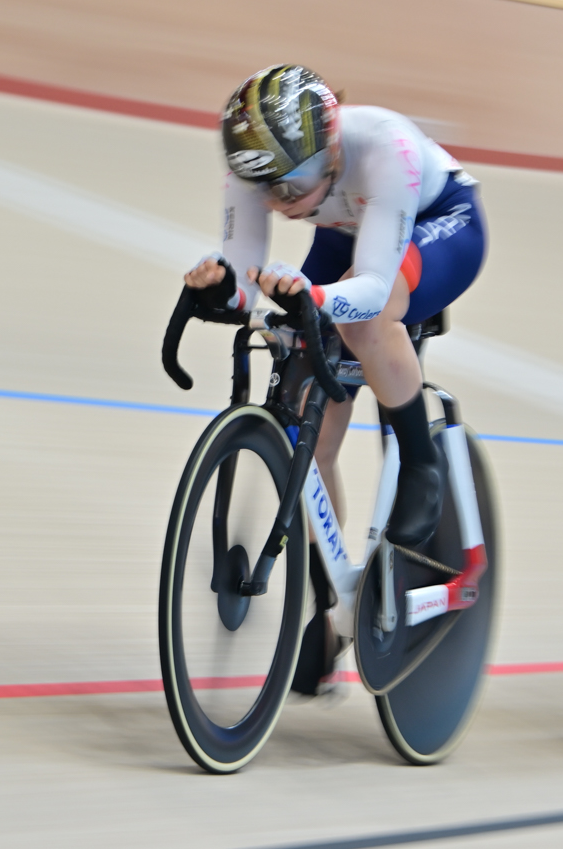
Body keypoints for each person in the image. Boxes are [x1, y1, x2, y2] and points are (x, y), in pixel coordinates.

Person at [183, 64, 488, 551]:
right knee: (310, 429)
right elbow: (243, 283)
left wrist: (317, 298)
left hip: (441, 222)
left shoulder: (386, 145)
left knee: (367, 317)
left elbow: (368, 290)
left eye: (291, 184)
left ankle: (419, 462)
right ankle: (327, 603)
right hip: (349, 229)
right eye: (264, 188)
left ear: (333, 149)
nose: (279, 201)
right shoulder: (257, 163)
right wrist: (218, 288)